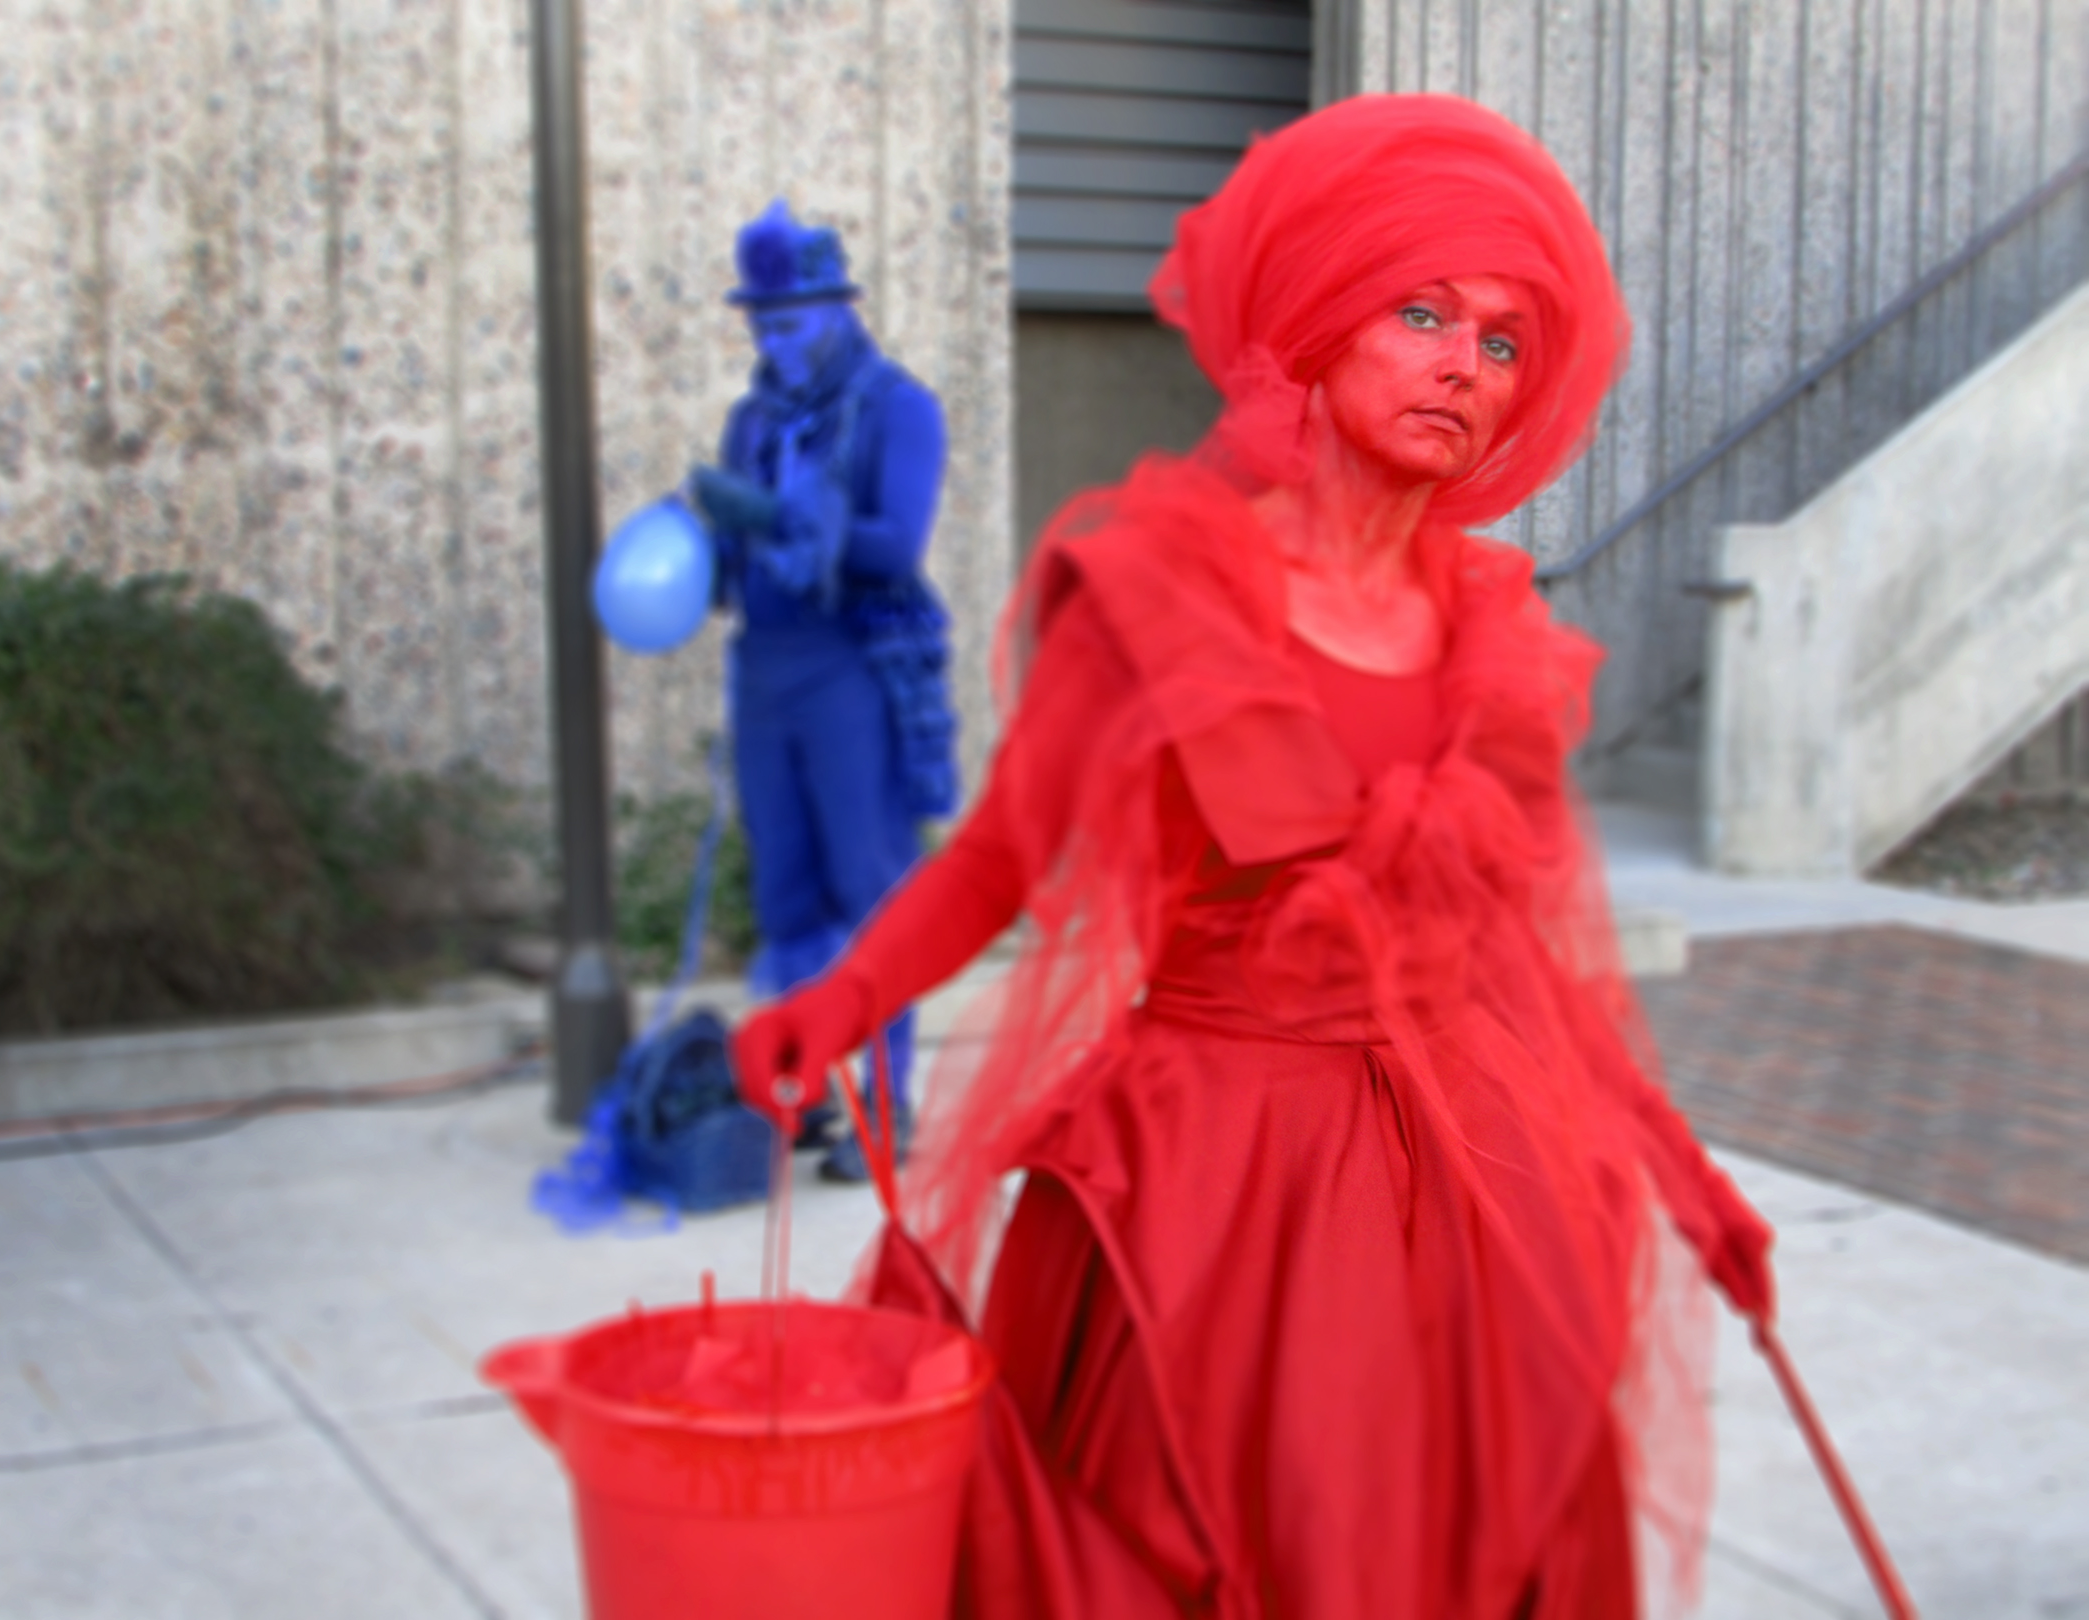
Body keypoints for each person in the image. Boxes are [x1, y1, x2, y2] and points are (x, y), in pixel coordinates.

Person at [734, 96, 1774, 1617]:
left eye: (1500, 340)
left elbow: (1525, 956)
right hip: (1224, 1198)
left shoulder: (1496, 632)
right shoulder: (1164, 593)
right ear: (1323, 322)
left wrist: (1684, 1172)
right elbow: (1006, 852)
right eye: (1422, 313)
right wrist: (840, 1001)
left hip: (1475, 1205)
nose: (1463, 365)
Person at [692, 199, 956, 1182]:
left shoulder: (897, 407)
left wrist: (766, 514)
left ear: (841, 309)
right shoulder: (751, 419)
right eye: (759, 323)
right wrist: (705, 550)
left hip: (853, 667)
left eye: (791, 320)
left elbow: (896, 546)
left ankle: (885, 1104)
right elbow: (734, 558)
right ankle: (804, 1086)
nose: (773, 340)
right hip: (764, 668)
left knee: (871, 891)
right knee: (788, 894)